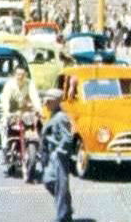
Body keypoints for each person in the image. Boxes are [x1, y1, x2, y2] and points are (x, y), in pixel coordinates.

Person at [40, 90, 75, 222]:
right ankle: (66, 209)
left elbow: (67, 137)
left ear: (56, 102)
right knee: (49, 180)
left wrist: (60, 152)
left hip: (59, 155)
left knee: (60, 186)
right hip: (52, 154)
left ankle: (62, 217)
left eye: (49, 101)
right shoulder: (53, 114)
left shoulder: (61, 117)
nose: (45, 103)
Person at [0, 66, 41, 148]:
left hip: (24, 111)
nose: (20, 77)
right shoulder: (9, 85)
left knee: (38, 123)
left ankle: (38, 147)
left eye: (23, 75)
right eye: (18, 74)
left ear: (26, 75)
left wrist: (38, 109)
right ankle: (5, 148)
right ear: (14, 75)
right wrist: (7, 112)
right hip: (12, 111)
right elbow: (5, 99)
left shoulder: (29, 83)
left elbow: (35, 97)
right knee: (4, 125)